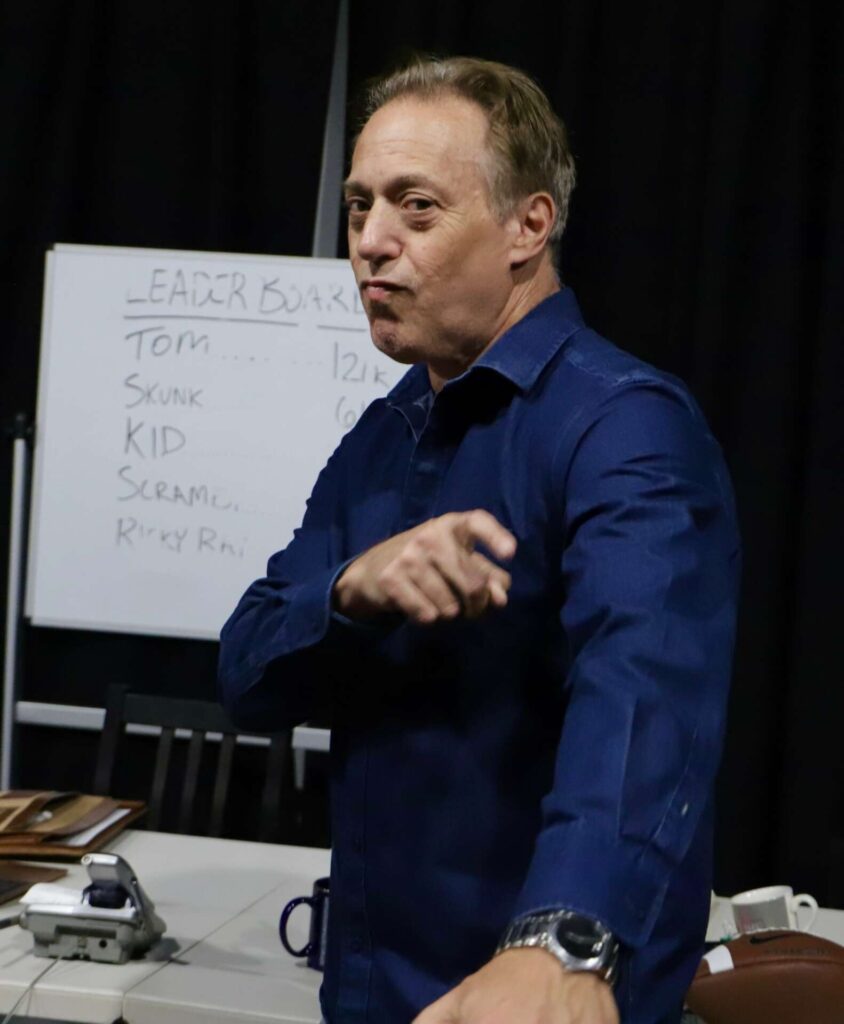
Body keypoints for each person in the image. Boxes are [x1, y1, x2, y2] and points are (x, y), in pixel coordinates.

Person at [218, 56, 740, 1024]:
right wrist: (349, 590)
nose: (371, 242)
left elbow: (642, 701)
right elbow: (248, 671)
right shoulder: (382, 436)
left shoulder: (624, 425)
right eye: (359, 206)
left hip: (534, 995)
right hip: (374, 992)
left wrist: (564, 937)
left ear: (527, 226)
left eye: (416, 207)